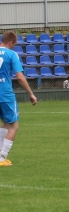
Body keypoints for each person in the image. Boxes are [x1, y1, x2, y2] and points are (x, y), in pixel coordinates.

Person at [0, 31, 38, 166]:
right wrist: (31, 93)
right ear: (11, 42)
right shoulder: (11, 54)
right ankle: (1, 158)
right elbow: (20, 77)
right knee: (14, 127)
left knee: (6, 123)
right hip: (5, 95)